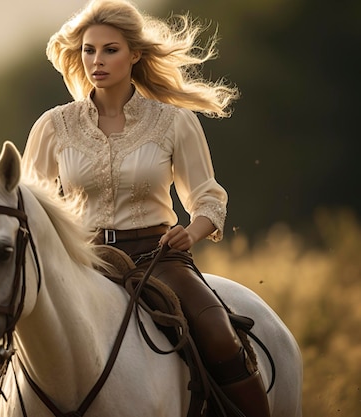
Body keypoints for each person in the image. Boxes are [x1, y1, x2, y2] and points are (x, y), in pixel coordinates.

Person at [21, 1, 270, 416]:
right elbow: (29, 204)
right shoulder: (53, 126)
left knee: (218, 333)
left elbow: (208, 197)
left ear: (135, 54)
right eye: (88, 50)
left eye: (110, 50)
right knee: (9, 329)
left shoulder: (174, 121)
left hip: (159, 258)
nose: (96, 61)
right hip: (82, 260)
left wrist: (190, 232)